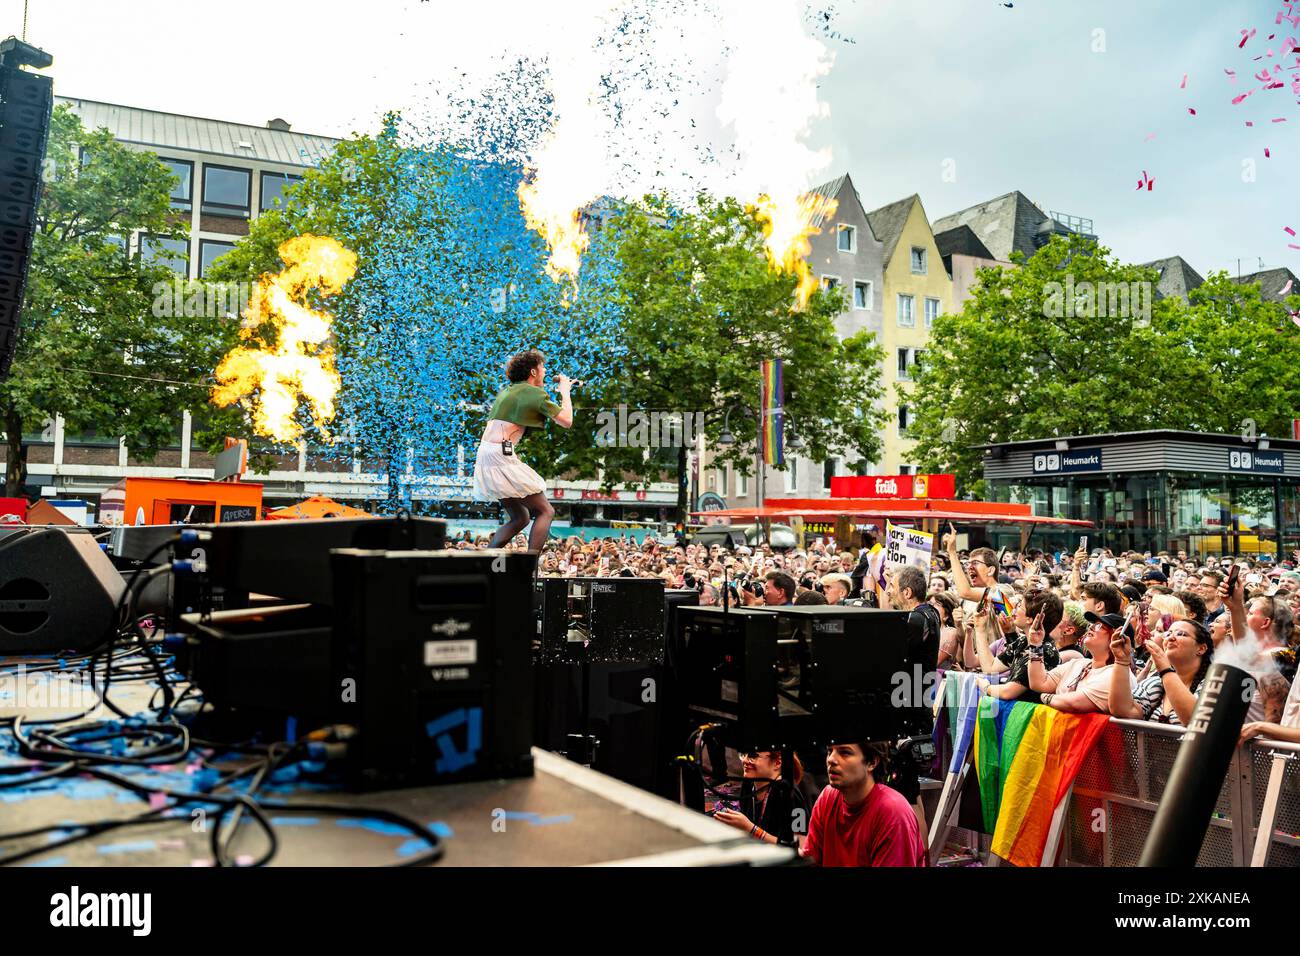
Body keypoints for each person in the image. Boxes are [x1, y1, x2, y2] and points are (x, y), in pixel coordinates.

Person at [472, 350, 573, 551]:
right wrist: (565, 391)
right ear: (533, 372)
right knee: (546, 511)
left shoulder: (508, 391)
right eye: (542, 367)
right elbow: (567, 421)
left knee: (521, 518)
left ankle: (485, 562)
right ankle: (529, 569)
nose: (544, 371)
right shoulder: (533, 392)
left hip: (486, 454)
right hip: (500, 455)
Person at [802, 742, 928, 867]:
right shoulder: (828, 797)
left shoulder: (894, 812)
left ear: (872, 762)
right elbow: (810, 859)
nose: (831, 759)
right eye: (830, 751)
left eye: (845, 753)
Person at [1109, 619, 1213, 726]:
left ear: (1201, 648)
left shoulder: (1212, 684)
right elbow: (1122, 710)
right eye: (1168, 633)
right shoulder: (1156, 683)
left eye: (1181, 634)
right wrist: (1121, 661)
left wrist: (1165, 669)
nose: (1171, 638)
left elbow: (1194, 720)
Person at [1027, 610, 1133, 714]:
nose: (1091, 627)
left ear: (1119, 638)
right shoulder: (1077, 663)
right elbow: (1039, 683)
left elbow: (1074, 704)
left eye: (1099, 626)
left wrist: (1040, 697)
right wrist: (1035, 644)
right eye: (1092, 624)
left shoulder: (1119, 676)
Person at [713, 750, 806, 847]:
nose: (745, 760)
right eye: (744, 754)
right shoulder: (748, 784)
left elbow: (801, 846)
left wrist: (752, 830)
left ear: (777, 763)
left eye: (753, 756)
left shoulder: (791, 794)